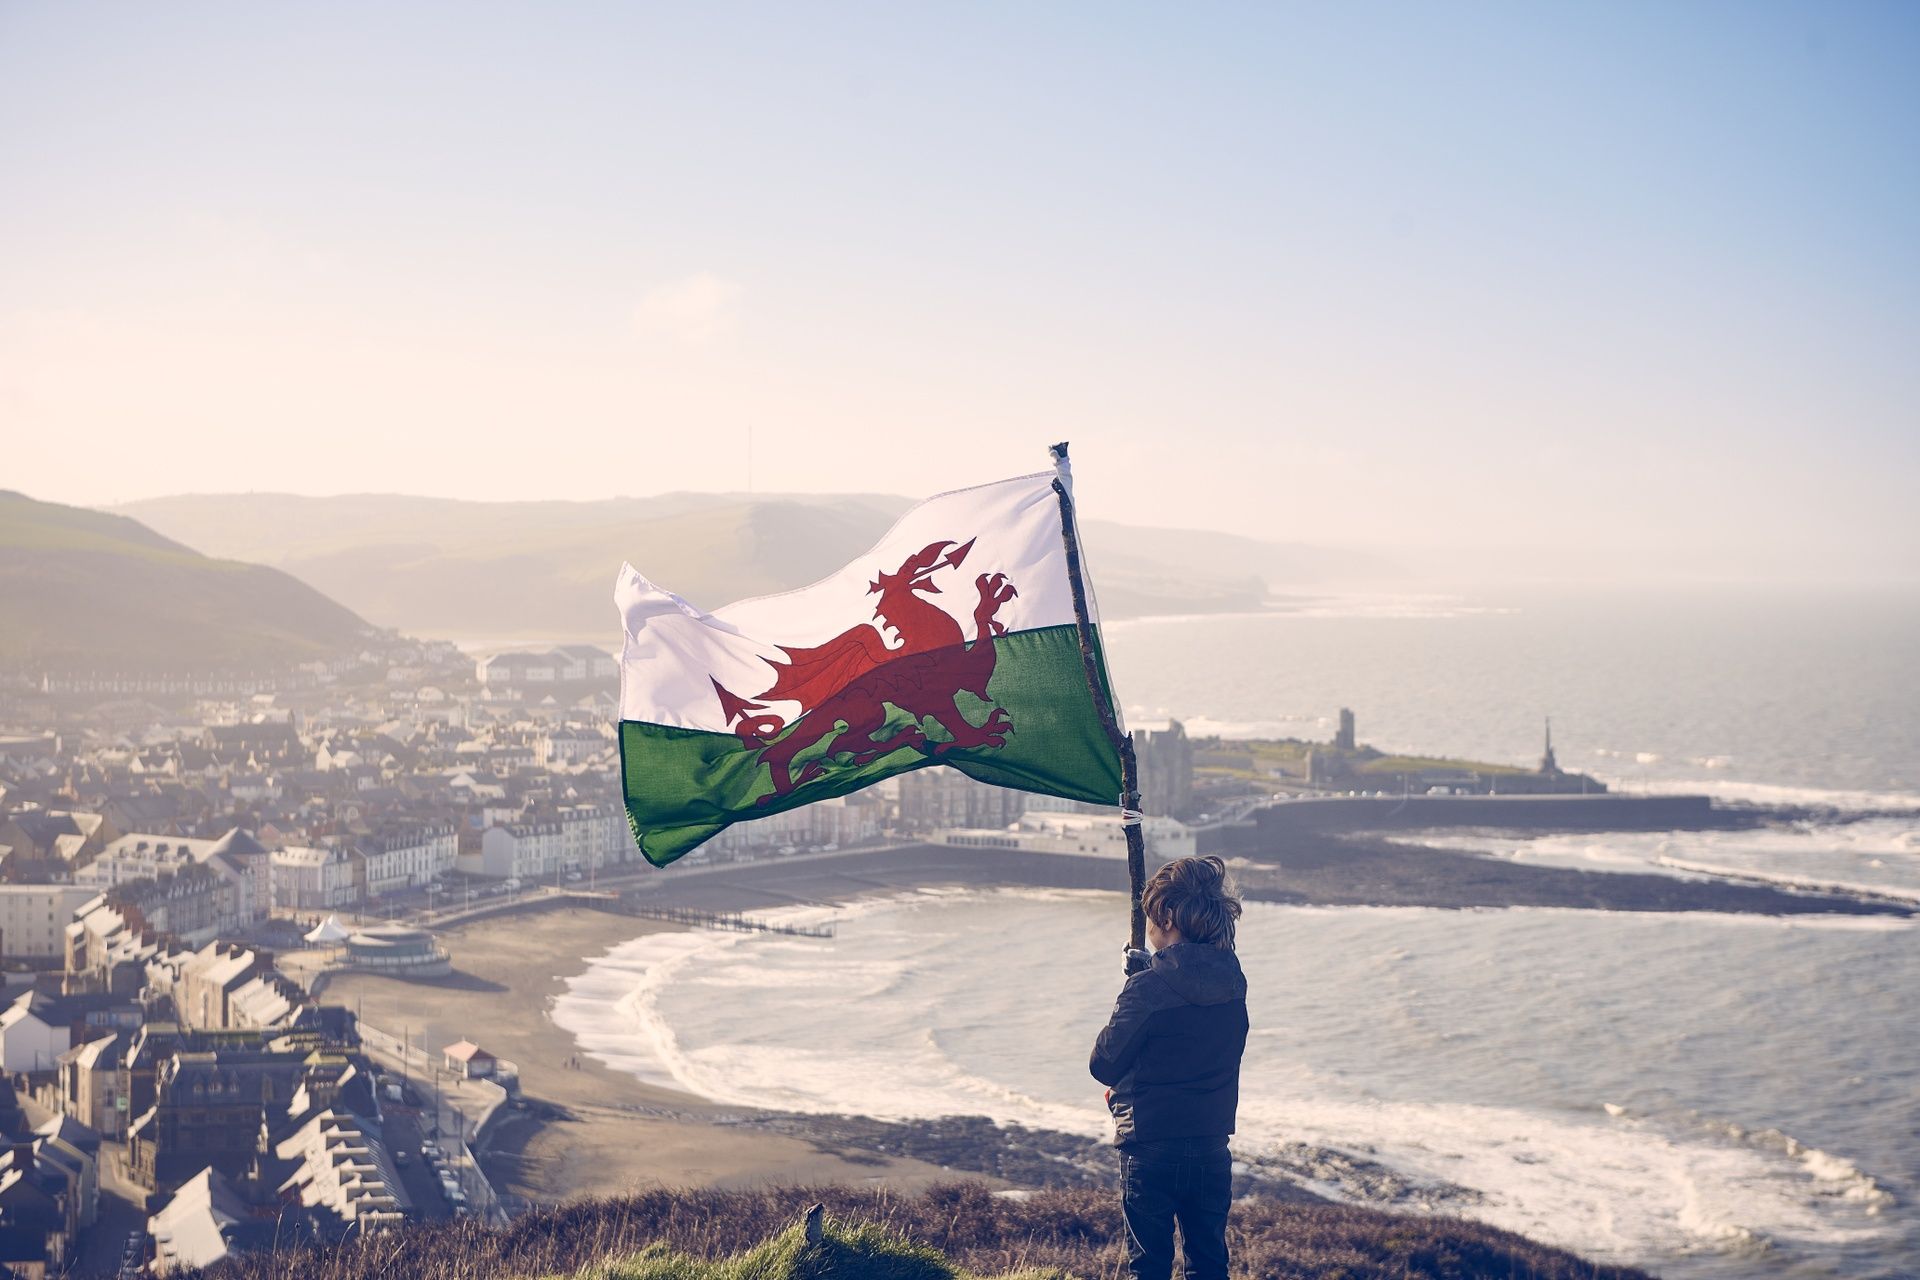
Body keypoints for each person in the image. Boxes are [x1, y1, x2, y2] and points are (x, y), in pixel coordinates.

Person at [1089, 854, 1248, 1280]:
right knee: (1210, 1265)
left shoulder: (1148, 988)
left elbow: (1104, 1063)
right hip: (1211, 1145)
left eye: (1153, 914)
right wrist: (1146, 978)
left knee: (1150, 1268)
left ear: (1170, 915)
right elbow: (1192, 1037)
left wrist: (1136, 985)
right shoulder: (1233, 981)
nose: (1150, 923)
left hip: (1151, 1144)